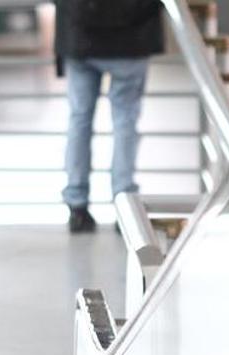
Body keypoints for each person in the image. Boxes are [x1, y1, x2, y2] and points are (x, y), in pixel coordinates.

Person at [54, 0, 164, 233]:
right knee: (125, 121)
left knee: (80, 120)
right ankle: (124, 203)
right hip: (131, 40)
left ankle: (77, 206)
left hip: (80, 37)